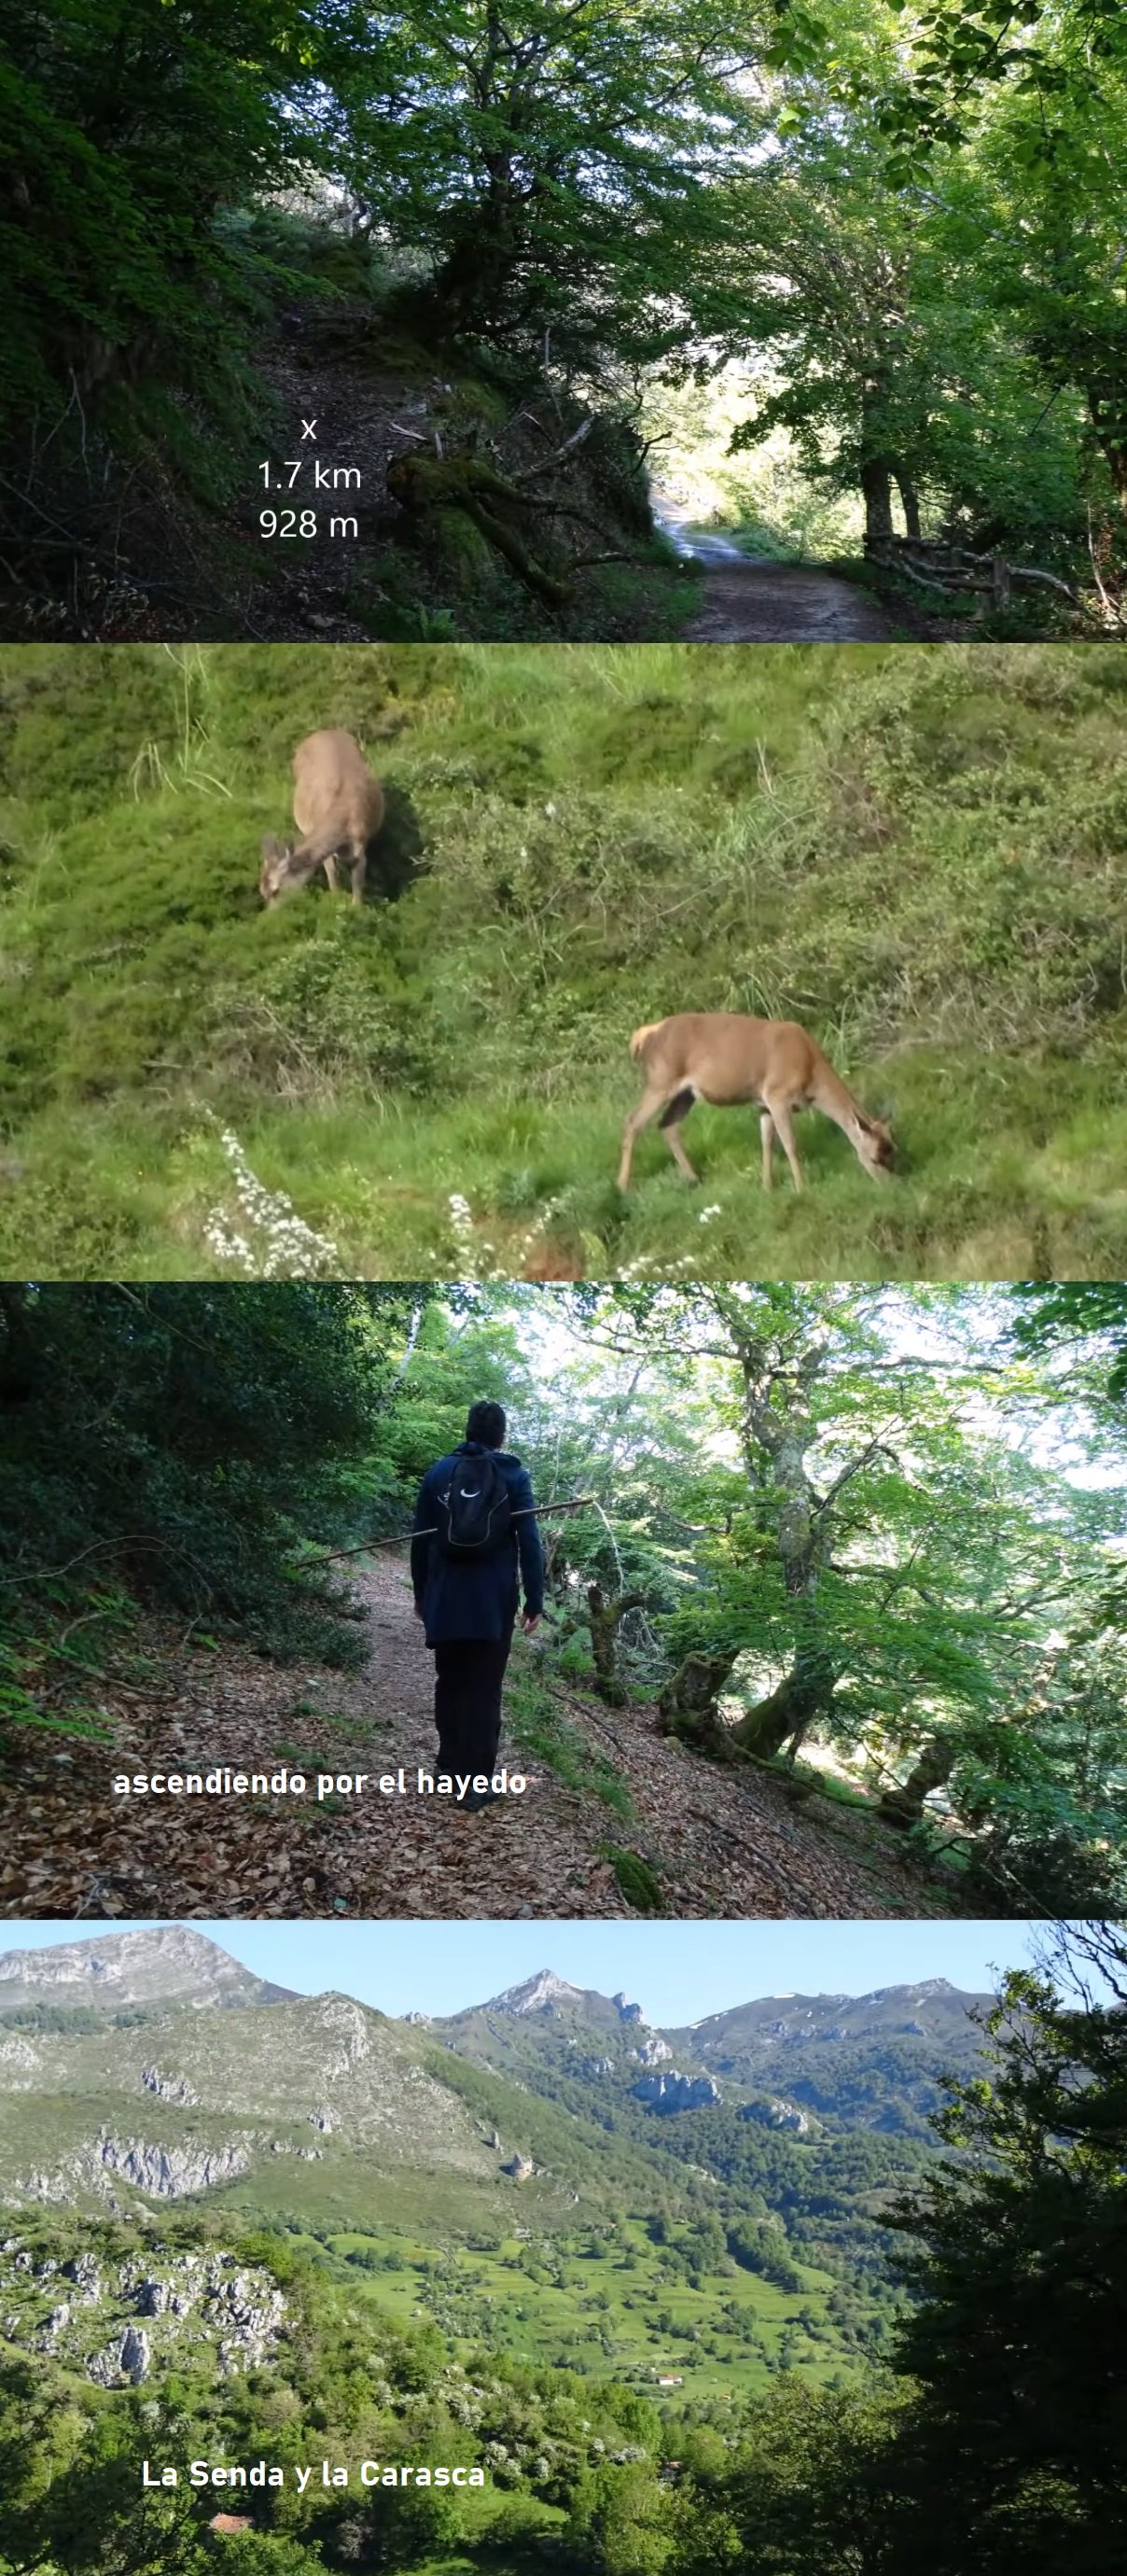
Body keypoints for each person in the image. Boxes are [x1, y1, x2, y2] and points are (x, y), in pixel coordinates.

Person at [410, 1400, 544, 1806]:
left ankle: (447, 1770)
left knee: (449, 1682)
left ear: (467, 1430)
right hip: (492, 1601)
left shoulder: (438, 1472)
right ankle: (475, 1787)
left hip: (446, 1597)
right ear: (501, 1435)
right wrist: (533, 1600)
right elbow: (530, 1543)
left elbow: (420, 1539)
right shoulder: (513, 1474)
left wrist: (421, 1595)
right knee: (484, 1690)